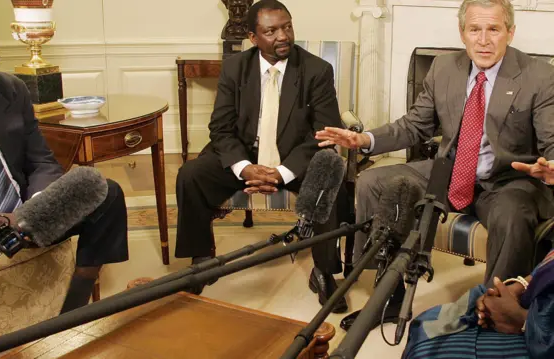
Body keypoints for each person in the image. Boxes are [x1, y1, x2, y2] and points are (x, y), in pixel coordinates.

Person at [316, 0, 554, 329]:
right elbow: (414, 126)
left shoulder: (539, 76)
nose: (483, 39)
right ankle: (389, 294)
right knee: (375, 182)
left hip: (507, 180)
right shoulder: (444, 68)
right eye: (475, 29)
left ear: (510, 32)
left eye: (493, 29)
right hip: (451, 170)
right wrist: (364, 139)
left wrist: (551, 166)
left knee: (513, 215)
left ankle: (496, 310)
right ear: (462, 33)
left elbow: (551, 141)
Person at [0, 7, 129, 349]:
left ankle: (72, 311)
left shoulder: (10, 89)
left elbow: (40, 160)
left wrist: (38, 202)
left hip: (23, 211)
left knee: (107, 194)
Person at [175, 0, 352, 313]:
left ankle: (323, 270)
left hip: (295, 160)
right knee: (191, 175)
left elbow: (325, 132)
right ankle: (202, 258)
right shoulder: (234, 67)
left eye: (287, 27)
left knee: (332, 181)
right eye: (271, 31)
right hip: (246, 156)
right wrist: (244, 168)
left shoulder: (317, 70)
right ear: (253, 37)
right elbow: (220, 127)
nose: (283, 36)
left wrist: (281, 173)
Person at [402, 249, 554, 359]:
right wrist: (518, 287)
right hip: (539, 300)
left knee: (427, 353)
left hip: (544, 334)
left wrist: (523, 321)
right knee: (427, 322)